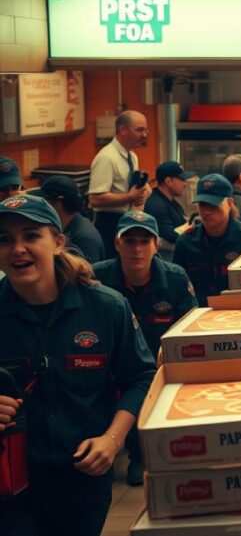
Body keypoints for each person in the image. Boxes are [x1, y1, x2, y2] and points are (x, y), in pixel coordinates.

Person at [0, 194, 156, 536]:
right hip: (11, 483)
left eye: (30, 235)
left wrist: (113, 441)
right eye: (5, 239)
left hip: (82, 479)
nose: (17, 248)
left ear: (57, 242)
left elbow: (142, 376)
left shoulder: (106, 307)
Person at [92, 211, 197, 486]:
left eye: (144, 241)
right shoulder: (96, 277)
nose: (136, 249)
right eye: (129, 241)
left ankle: (143, 454)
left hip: (159, 364)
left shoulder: (175, 279)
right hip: (111, 362)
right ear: (117, 244)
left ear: (156, 245)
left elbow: (190, 331)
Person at [173, 174, 241, 306]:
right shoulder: (185, 243)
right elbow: (177, 288)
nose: (206, 212)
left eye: (213, 205)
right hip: (199, 315)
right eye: (202, 205)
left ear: (229, 203)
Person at [88, 110, 152, 259]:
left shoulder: (132, 156)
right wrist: (129, 197)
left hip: (126, 219)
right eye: (139, 130)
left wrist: (144, 189)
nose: (144, 135)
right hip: (108, 222)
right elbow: (95, 199)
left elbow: (129, 187)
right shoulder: (107, 158)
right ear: (123, 130)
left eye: (146, 130)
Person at [38, 176, 105, 264]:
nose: (41, 206)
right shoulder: (67, 225)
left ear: (59, 202)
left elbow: (84, 275)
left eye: (44, 201)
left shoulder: (84, 239)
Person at [143, 160, 195, 260]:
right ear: (168, 181)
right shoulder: (156, 205)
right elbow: (171, 237)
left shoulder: (168, 200)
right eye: (182, 179)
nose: (185, 183)